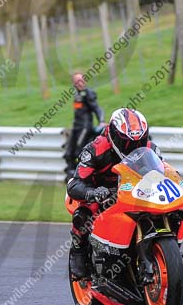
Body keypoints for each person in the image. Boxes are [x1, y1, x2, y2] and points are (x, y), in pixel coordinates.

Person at [66, 108, 162, 281]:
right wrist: (93, 192)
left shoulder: (150, 149)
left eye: (139, 141)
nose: (133, 147)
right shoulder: (95, 149)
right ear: (114, 135)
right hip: (101, 192)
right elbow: (75, 184)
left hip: (133, 191)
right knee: (85, 212)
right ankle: (78, 251)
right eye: (127, 142)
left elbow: (163, 173)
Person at [64, 73, 104, 177]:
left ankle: (81, 175)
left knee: (78, 151)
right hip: (76, 126)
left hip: (85, 127)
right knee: (69, 152)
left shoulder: (88, 93)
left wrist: (101, 120)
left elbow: (97, 108)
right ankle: (71, 174)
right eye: (77, 81)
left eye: (81, 80)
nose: (79, 83)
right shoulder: (76, 94)